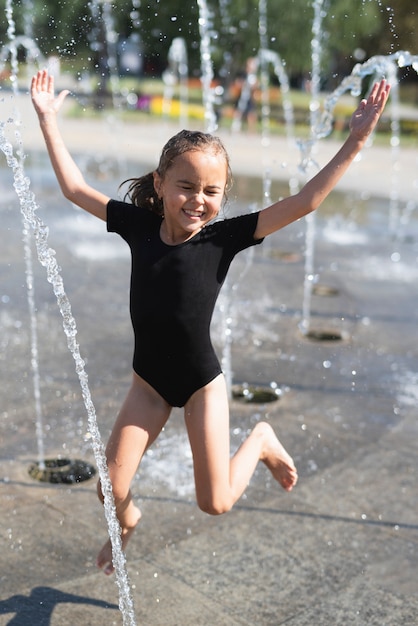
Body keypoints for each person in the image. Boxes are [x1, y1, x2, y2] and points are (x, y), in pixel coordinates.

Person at [30, 69, 390, 576]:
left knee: (215, 503)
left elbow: (305, 202)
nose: (198, 200)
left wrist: (355, 140)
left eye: (211, 190)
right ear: (159, 183)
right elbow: (72, 188)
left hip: (202, 385)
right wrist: (47, 119)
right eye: (185, 187)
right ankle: (129, 522)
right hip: (148, 386)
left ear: (224, 193)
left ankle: (261, 439)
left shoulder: (223, 238)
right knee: (109, 491)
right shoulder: (137, 226)